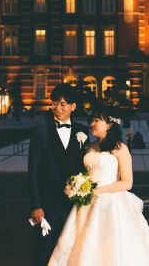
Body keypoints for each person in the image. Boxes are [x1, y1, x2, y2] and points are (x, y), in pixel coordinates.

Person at [48, 104, 149, 265]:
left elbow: (127, 183)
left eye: (97, 120)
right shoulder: (88, 147)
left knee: (112, 247)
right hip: (86, 204)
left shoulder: (120, 149)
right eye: (91, 120)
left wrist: (96, 190)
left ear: (109, 124)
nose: (92, 123)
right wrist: (77, 185)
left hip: (112, 204)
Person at [28, 83, 89, 266]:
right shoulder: (40, 132)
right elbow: (34, 172)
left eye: (62, 104)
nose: (57, 108)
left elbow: (84, 167)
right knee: (45, 250)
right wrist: (36, 205)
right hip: (48, 204)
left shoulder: (82, 131)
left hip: (74, 204)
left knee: (72, 249)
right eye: (54, 103)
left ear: (73, 106)